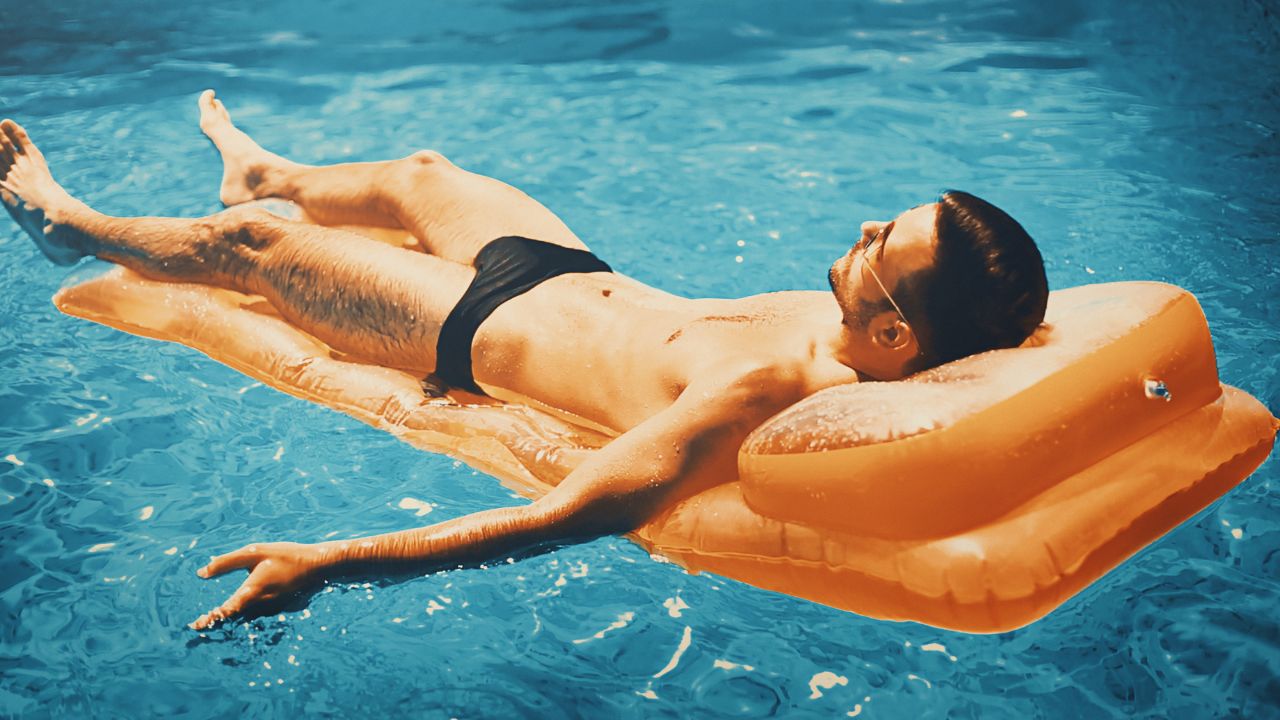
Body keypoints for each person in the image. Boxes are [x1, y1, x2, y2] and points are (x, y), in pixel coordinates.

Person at [0, 91, 1049, 630]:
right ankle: (270, 169)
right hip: (563, 270)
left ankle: (71, 225)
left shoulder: (771, 392)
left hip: (464, 325)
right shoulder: (861, 324)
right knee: (420, 174)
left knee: (258, 247)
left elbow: (568, 515)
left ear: (893, 340)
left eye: (883, 246)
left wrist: (333, 562)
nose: (865, 225)